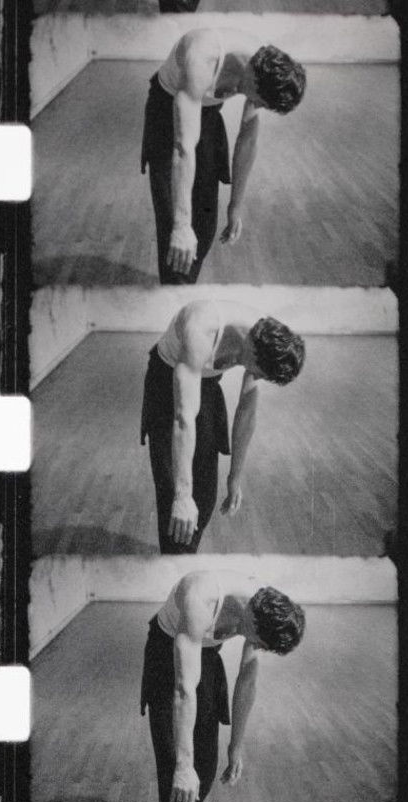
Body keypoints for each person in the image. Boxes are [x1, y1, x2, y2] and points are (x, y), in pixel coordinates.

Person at [141, 28, 306, 284]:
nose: (257, 106)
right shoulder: (203, 55)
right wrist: (182, 225)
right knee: (174, 224)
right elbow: (183, 146)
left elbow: (248, 140)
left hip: (207, 117)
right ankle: (176, 289)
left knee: (204, 228)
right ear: (254, 79)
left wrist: (235, 206)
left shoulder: (262, 69)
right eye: (260, 102)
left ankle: (181, 283)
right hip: (166, 113)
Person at [141, 569, 306, 802]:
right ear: (253, 621)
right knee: (175, 767)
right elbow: (184, 688)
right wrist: (183, 767)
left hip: (206, 656)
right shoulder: (201, 596)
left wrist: (235, 747)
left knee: (205, 768)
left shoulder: (264, 611)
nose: (258, 648)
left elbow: (247, 681)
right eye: (260, 644)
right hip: (165, 654)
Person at [141, 299, 305, 554]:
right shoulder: (202, 327)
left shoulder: (266, 340)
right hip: (165, 384)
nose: (257, 377)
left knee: (205, 499)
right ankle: (176, 559)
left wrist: (234, 477)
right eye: (260, 373)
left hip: (206, 387)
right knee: (174, 496)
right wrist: (182, 497)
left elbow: (247, 412)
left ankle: (182, 554)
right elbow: (183, 417)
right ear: (253, 351)